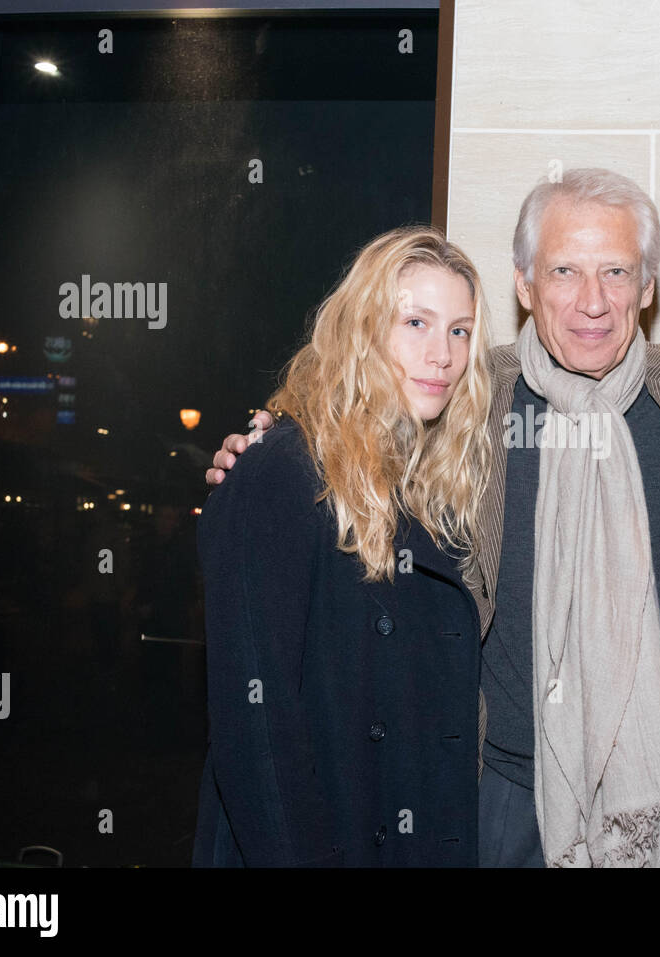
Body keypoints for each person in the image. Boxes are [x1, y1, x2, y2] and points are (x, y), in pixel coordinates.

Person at [211, 170, 660, 868]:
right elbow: (345, 444)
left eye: (616, 271)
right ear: (526, 286)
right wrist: (262, 448)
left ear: (647, 287)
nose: (592, 301)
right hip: (504, 796)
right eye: (563, 270)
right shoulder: (472, 401)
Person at [192, 225, 493, 867]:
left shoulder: (422, 481)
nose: (441, 353)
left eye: (460, 330)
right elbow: (257, 734)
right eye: (415, 322)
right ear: (362, 329)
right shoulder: (281, 471)